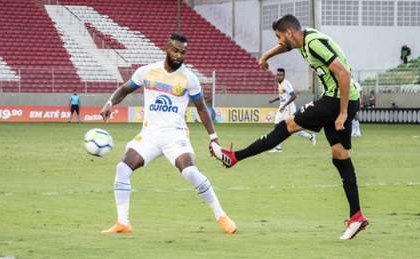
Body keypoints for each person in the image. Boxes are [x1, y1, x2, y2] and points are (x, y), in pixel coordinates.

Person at [210, 14, 368, 240]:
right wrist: (267, 55)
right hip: (345, 98)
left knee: (287, 125)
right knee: (339, 155)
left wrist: (342, 112)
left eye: (279, 37)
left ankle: (234, 157)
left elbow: (343, 73)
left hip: (336, 99)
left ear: (289, 33)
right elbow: (286, 48)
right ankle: (357, 216)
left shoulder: (312, 44)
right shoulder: (304, 39)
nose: (279, 41)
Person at [99, 33, 237, 234]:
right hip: (150, 135)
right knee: (122, 168)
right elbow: (125, 89)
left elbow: (201, 108)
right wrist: (110, 102)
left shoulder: (189, 78)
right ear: (166, 48)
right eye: (176, 50)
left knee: (190, 172)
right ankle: (123, 222)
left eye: (183, 52)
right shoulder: (147, 71)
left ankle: (221, 216)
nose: (179, 55)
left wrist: (213, 138)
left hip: (176, 136)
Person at [268, 68, 316, 152]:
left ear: (284, 76)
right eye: (278, 74)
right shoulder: (279, 83)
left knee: (292, 128)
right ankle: (278, 148)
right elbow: (282, 96)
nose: (279, 76)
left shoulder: (286, 84)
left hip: (288, 108)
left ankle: (310, 136)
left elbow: (294, 96)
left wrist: (284, 106)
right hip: (282, 107)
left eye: (281, 75)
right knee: (277, 126)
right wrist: (273, 100)